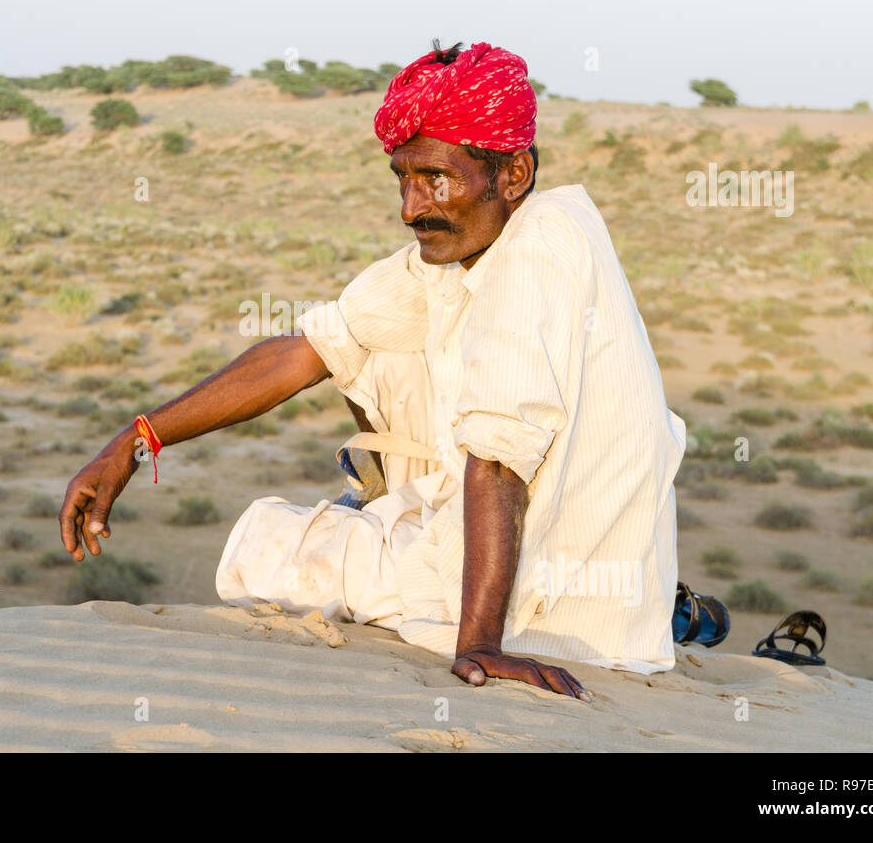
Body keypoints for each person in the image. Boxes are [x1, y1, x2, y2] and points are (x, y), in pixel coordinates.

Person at [59, 41, 686, 701]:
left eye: (435, 179)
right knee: (369, 341)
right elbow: (307, 350)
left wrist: (477, 646)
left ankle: (394, 533)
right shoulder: (484, 244)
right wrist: (136, 441)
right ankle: (394, 514)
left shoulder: (531, 256)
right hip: (602, 585)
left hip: (536, 614)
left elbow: (498, 460)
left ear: (514, 173)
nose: (412, 208)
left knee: (272, 548)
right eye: (402, 178)